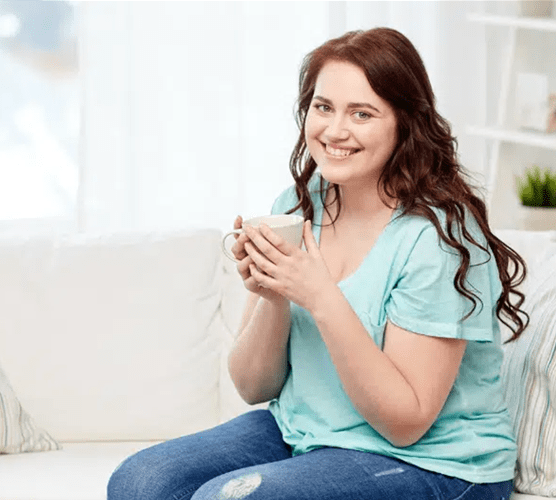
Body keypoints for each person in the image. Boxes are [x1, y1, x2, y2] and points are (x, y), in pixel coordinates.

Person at [107, 27, 530, 500]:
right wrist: (273, 296)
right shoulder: (297, 205)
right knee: (140, 481)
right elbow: (253, 386)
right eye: (323, 107)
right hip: (307, 434)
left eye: (362, 113)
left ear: (405, 124)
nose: (334, 131)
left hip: (434, 462)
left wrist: (320, 295)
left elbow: (406, 422)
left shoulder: (438, 237)